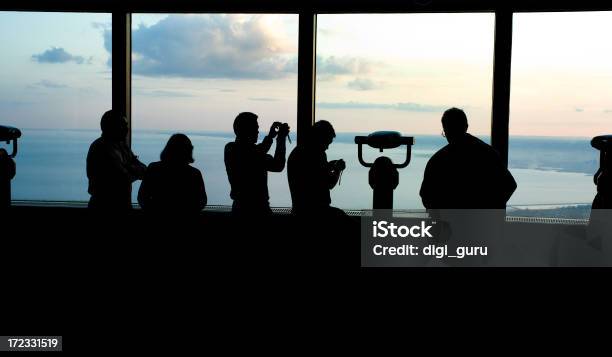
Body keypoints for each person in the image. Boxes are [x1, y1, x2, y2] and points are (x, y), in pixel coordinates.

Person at [420, 108, 516, 209]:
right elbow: (510, 185)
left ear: (445, 130)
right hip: (485, 223)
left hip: (450, 222)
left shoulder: (438, 160)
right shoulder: (488, 154)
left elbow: (427, 197)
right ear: (466, 127)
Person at [224, 112, 289, 216]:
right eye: (255, 128)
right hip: (259, 210)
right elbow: (277, 165)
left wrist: (271, 136)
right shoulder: (242, 151)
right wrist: (280, 139)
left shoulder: (230, 149)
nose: (257, 131)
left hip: (240, 209)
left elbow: (256, 152)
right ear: (245, 130)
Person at [86, 109, 146, 212]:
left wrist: (128, 167)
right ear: (111, 127)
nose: (127, 128)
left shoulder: (121, 145)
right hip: (103, 207)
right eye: (123, 125)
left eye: (126, 125)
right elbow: (123, 177)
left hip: (122, 205)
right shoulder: (100, 148)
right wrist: (132, 168)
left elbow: (142, 169)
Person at [287, 120, 346, 216]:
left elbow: (312, 173)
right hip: (317, 211)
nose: (327, 147)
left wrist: (329, 165)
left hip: (300, 211)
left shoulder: (298, 151)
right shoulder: (317, 154)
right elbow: (328, 183)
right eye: (327, 143)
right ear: (320, 138)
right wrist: (337, 169)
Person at [138, 134, 206, 215]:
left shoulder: (153, 168)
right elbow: (202, 201)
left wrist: (153, 211)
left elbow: (142, 197)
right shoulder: (194, 173)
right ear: (187, 151)